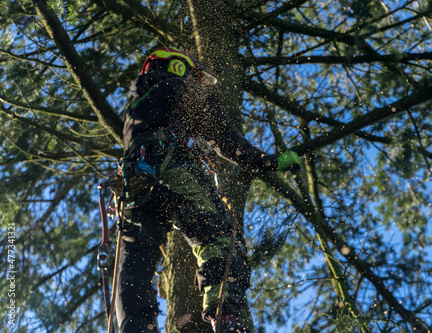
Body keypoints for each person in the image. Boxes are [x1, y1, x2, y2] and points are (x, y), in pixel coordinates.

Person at [116, 47, 301, 333]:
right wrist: (267, 161)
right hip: (177, 169)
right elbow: (224, 138)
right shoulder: (178, 87)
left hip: (137, 185)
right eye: (194, 75)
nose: (196, 82)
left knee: (135, 263)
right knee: (216, 238)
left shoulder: (134, 107)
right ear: (178, 68)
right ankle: (226, 319)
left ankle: (136, 327)